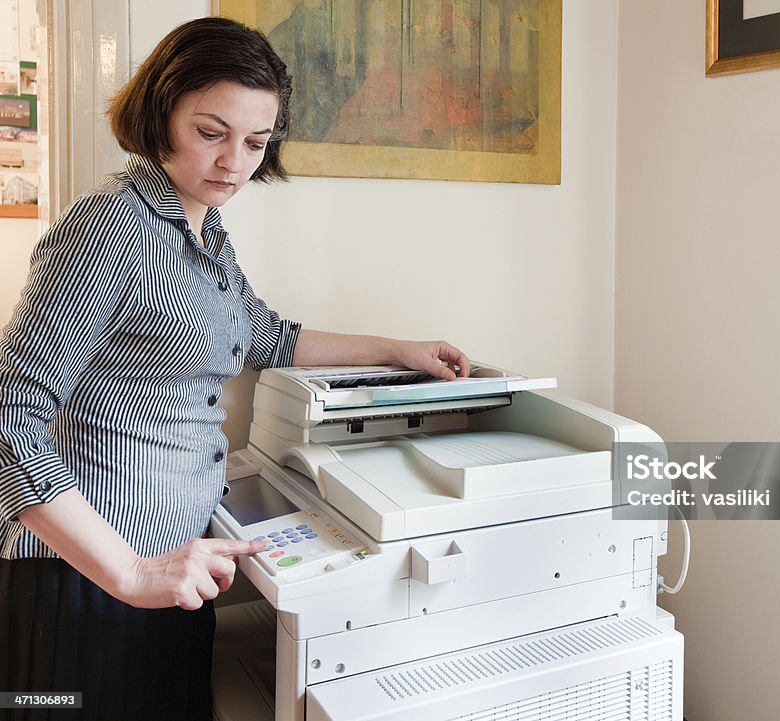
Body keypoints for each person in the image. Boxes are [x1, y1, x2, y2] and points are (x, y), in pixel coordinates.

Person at [0, 17, 468, 721]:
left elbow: (262, 334)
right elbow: (11, 419)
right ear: (161, 112)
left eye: (255, 143)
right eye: (211, 132)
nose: (234, 164)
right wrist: (129, 572)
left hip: (177, 568)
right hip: (86, 579)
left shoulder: (203, 231)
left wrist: (397, 350)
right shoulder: (109, 227)